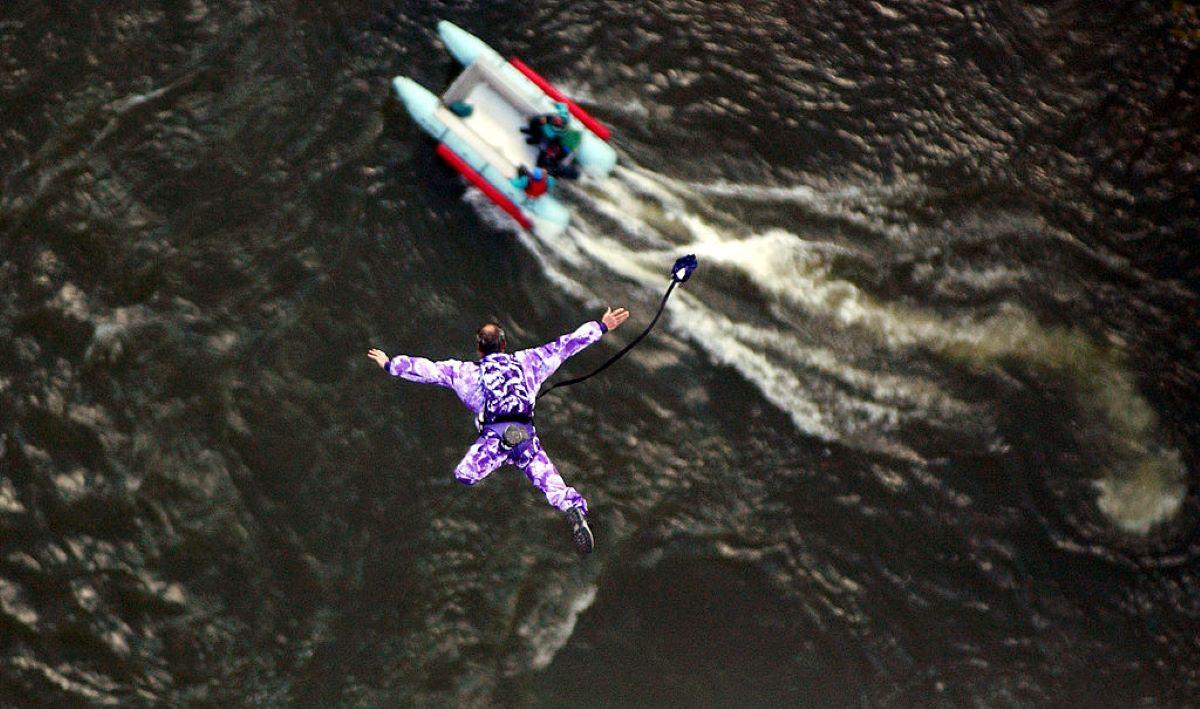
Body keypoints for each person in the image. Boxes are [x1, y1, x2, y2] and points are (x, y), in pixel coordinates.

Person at [367, 307, 631, 554]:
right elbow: (566, 345)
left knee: (465, 474)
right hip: (525, 432)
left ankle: (505, 446)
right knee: (548, 480)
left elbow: (428, 370)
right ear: (504, 346)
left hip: (497, 435)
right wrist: (601, 326)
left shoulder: (465, 372)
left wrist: (391, 365)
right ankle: (573, 509)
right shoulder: (529, 361)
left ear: (479, 349)